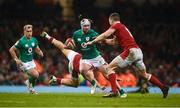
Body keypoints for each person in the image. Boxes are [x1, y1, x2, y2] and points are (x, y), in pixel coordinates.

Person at [86, 12, 169, 98]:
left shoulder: (116, 25)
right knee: (144, 75)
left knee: (109, 68)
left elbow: (105, 34)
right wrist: (104, 40)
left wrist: (93, 41)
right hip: (138, 52)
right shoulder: (122, 28)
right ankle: (163, 87)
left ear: (110, 20)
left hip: (131, 51)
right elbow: (114, 42)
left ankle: (114, 92)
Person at [69, 18, 126, 97]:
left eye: (88, 25)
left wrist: (110, 41)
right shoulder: (76, 34)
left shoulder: (93, 33)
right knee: (82, 70)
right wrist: (70, 45)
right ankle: (94, 83)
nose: (87, 27)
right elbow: (74, 45)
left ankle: (121, 91)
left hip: (96, 58)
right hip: (86, 58)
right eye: (85, 26)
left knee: (107, 75)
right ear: (81, 26)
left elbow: (102, 40)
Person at [9, 24, 44, 94]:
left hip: (31, 61)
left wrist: (40, 52)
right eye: (28, 31)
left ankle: (31, 89)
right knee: (36, 74)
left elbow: (36, 48)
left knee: (35, 76)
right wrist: (16, 60)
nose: (29, 33)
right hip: (23, 63)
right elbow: (11, 50)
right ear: (24, 32)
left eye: (30, 31)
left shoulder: (34, 40)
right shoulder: (21, 41)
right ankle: (30, 86)